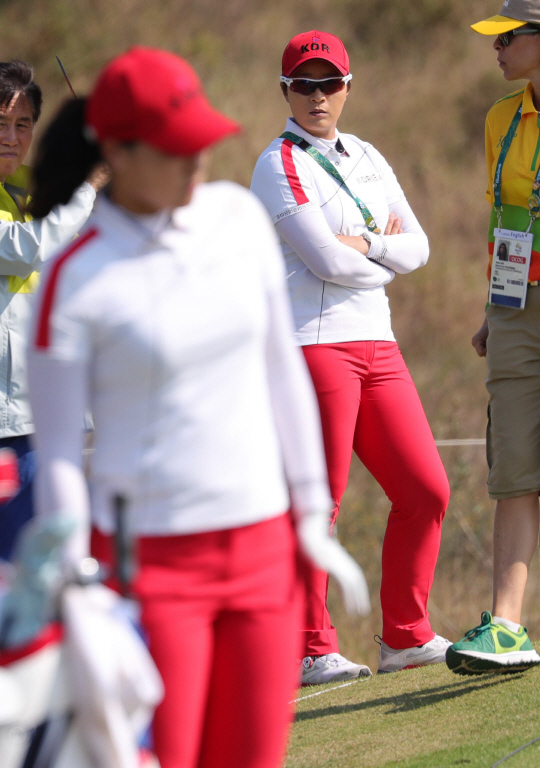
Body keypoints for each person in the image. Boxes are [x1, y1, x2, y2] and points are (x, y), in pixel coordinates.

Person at [25, 47, 368, 768]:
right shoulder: (74, 278)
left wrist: (309, 515)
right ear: (117, 151)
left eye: (201, 143)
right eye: (176, 149)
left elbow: (282, 374)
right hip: (151, 568)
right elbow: (56, 453)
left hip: (266, 553)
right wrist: (76, 582)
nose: (197, 162)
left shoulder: (237, 221)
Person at [251, 30, 452, 682]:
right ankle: (311, 647)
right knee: (319, 503)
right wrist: (377, 249)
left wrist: (360, 247)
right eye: (304, 84)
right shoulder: (277, 161)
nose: (317, 96)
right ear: (286, 90)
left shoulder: (366, 153)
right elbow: (323, 259)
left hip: (378, 342)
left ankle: (404, 636)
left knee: (426, 489)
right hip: (315, 345)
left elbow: (417, 248)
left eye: (328, 83)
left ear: (347, 87)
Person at [447, 1, 540, 676]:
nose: (496, 49)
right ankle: (507, 626)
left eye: (507, 37)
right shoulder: (500, 120)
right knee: (513, 466)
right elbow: (507, 220)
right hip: (516, 309)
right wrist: (494, 307)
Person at [0, 59, 105, 562]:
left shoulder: (28, 192)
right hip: (6, 425)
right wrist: (87, 190)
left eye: (23, 125)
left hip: (49, 416)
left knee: (53, 564)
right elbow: (29, 246)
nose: (11, 137)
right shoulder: (39, 211)